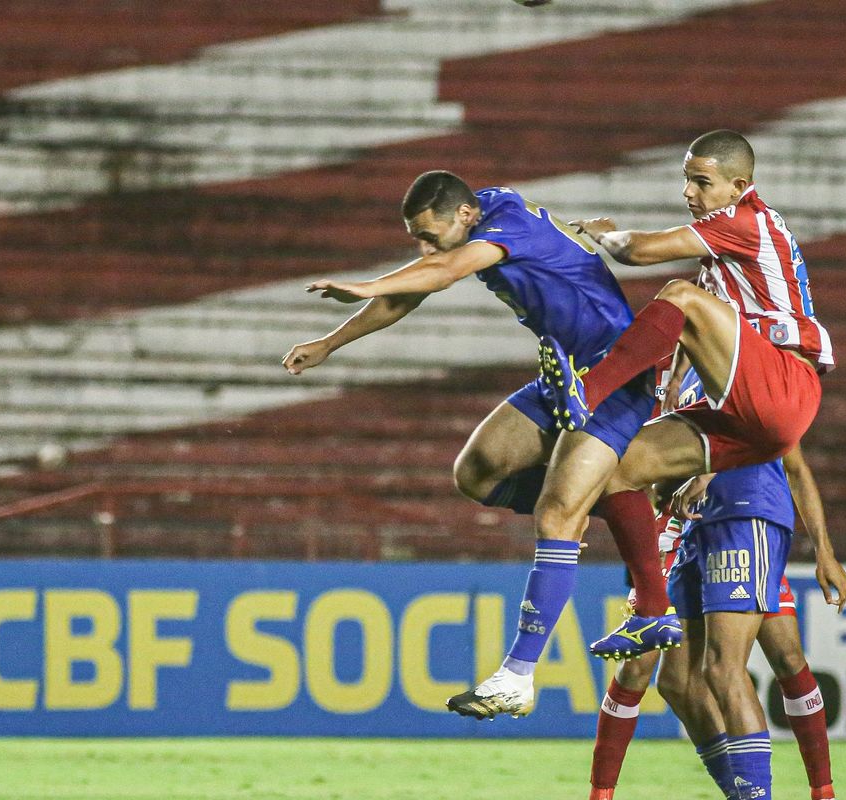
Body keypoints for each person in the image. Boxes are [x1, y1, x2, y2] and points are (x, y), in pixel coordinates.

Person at [440, 128, 835, 718]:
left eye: (701, 181)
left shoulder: (746, 221)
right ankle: (652, 610)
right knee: (621, 470)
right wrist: (673, 390)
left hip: (783, 383)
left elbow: (637, 253)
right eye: (686, 180)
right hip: (743, 415)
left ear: (740, 186)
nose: (690, 192)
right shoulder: (722, 264)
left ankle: (587, 392)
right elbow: (693, 338)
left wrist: (606, 234)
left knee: (676, 294)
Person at [284, 171, 682, 719]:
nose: (424, 247)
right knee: (478, 471)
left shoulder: (504, 225)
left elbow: (442, 271)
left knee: (555, 513)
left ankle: (517, 676)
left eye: (429, 235)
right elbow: (420, 285)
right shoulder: (487, 209)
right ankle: (606, 510)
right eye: (416, 238)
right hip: (564, 376)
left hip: (615, 376)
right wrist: (331, 342)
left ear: (465, 217)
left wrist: (368, 283)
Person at [588, 367, 846, 800]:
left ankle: (818, 790)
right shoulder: (675, 384)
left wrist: (825, 551)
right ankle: (742, 790)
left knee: (732, 667)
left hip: (745, 514)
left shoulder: (739, 359)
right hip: (695, 528)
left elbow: (790, 458)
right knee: (680, 681)